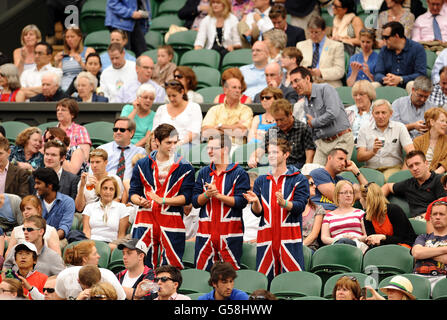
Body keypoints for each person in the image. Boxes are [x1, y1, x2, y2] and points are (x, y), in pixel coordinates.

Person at [130, 124, 195, 269]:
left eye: (175, 142)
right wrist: (139, 200)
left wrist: (163, 200)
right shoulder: (142, 164)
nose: (172, 146)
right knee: (143, 266)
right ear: (157, 141)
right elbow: (133, 192)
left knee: (171, 268)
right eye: (168, 142)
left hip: (172, 220)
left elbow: (187, 197)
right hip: (145, 220)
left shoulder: (185, 166)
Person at [243, 138, 309, 281]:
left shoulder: (298, 179)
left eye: (275, 152)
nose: (271, 155)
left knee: (292, 281)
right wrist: (255, 202)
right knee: (265, 280)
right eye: (269, 152)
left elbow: (300, 206)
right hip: (266, 237)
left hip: (289, 237)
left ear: (286, 154)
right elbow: (258, 212)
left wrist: (285, 204)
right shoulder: (261, 180)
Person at [192, 134, 249, 271]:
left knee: (229, 275)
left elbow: (241, 202)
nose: (209, 151)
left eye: (214, 148)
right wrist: (207, 194)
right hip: (205, 234)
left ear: (225, 149)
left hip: (230, 234)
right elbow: (195, 201)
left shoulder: (239, 173)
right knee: (202, 274)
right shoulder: (203, 172)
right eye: (208, 148)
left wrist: (218, 195)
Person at [290, 67, 354, 166]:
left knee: (338, 177)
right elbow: (312, 129)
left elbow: (333, 112)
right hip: (322, 144)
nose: (294, 85)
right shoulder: (305, 102)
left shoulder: (325, 89)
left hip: (341, 140)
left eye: (296, 81)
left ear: (307, 78)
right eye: (291, 83)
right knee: (315, 175)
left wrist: (314, 122)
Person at [248, 99, 316, 170]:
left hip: (296, 166)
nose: (279, 123)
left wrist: (306, 170)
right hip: (275, 165)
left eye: (282, 119)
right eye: (276, 120)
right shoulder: (273, 131)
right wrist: (254, 157)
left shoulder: (303, 129)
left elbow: (309, 153)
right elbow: (261, 149)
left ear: (290, 114)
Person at [356, 99, 414, 181]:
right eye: (377, 113)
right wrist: (373, 151)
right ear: (372, 114)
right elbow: (360, 157)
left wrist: (402, 172)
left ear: (391, 113)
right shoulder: (364, 129)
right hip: (370, 168)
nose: (380, 116)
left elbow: (411, 152)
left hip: (393, 168)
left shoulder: (400, 127)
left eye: (383, 112)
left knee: (384, 180)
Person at [381, 150, 447, 218]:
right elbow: (387, 186)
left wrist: (420, 218)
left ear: (426, 163)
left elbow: (442, 207)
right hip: (415, 223)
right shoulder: (408, 184)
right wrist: (376, 203)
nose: (414, 168)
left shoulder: (439, 180)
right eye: (411, 166)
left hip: (434, 221)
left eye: (417, 164)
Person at [361, 182, 417, 249]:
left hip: (404, 246)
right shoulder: (367, 217)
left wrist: (383, 237)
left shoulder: (394, 210)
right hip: (383, 249)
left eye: (361, 198)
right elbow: (372, 242)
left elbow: (402, 238)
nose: (360, 200)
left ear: (368, 200)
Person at [374, 21, 427, 92]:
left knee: (412, 85)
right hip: (388, 84)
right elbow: (378, 73)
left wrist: (400, 79)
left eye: (386, 37)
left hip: (407, 84)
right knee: (373, 85)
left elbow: (421, 74)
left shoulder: (417, 48)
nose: (384, 40)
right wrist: (387, 79)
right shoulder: (384, 50)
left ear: (396, 36)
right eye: (383, 37)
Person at [201, 77, 253, 147]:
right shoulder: (214, 109)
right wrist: (234, 127)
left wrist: (220, 126)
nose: (238, 90)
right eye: (234, 87)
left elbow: (241, 133)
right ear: (225, 90)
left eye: (239, 88)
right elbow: (205, 132)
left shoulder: (246, 110)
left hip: (235, 147)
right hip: (213, 146)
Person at [82, 176, 129, 251]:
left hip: (112, 244)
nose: (108, 192)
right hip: (92, 244)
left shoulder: (122, 208)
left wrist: (109, 247)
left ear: (115, 192)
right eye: (105, 188)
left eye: (111, 189)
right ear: (99, 190)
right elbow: (86, 232)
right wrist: (90, 247)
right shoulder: (89, 207)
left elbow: (121, 235)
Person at [296, 16, 345, 88]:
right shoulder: (301, 45)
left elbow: (339, 71)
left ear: (324, 30)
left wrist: (320, 73)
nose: (313, 35)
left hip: (329, 84)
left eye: (316, 32)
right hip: (307, 84)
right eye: (311, 32)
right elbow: (296, 67)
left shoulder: (336, 46)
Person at [152, 80, 203, 147]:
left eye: (174, 95)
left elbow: (194, 133)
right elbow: (154, 131)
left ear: (182, 92)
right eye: (169, 96)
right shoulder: (161, 109)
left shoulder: (194, 107)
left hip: (187, 144)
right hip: (163, 144)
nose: (171, 99)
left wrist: (177, 144)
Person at [321, 180, 368, 251]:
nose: (349, 195)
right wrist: (339, 239)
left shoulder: (360, 213)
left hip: (357, 246)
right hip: (337, 245)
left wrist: (355, 238)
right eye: (345, 192)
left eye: (351, 192)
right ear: (337, 195)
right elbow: (324, 238)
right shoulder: (328, 216)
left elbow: (367, 235)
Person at [97, 117, 147, 181]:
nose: (118, 132)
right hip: (106, 188)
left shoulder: (140, 152)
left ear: (131, 133)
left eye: (122, 130)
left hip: (129, 188)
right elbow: (92, 174)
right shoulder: (102, 150)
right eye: (115, 129)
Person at [412, 200, 447, 290]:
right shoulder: (423, 237)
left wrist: (426, 253)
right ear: (430, 218)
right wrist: (444, 249)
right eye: (435, 214)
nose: (437, 217)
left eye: (441, 214)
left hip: (443, 280)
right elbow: (417, 253)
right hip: (418, 278)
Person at [32, 167, 75, 241]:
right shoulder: (35, 201)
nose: (35, 187)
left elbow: (64, 228)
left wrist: (47, 240)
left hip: (58, 240)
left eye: (38, 183)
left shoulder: (68, 202)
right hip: (36, 239)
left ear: (50, 185)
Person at [76, 148, 125, 213]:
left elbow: (114, 206)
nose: (94, 165)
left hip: (108, 215)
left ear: (106, 162)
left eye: (98, 162)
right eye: (92, 162)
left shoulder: (114, 179)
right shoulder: (84, 180)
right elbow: (79, 208)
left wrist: (99, 188)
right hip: (88, 215)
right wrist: (82, 186)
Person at [53, 26, 95, 93]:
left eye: (72, 36)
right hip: (63, 88)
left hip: (80, 88)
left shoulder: (88, 51)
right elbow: (58, 75)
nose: (69, 39)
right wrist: (56, 63)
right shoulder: (62, 54)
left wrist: (81, 63)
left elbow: (93, 71)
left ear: (79, 37)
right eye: (67, 37)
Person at [55, 264, 126, 300]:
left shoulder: (109, 279)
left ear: (100, 279)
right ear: (78, 281)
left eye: (94, 287)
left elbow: (121, 298)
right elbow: (60, 297)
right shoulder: (64, 277)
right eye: (86, 288)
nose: (90, 291)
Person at [120, 83, 156, 147]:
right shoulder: (127, 108)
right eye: (145, 97)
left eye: (151, 99)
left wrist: (133, 148)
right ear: (138, 98)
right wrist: (135, 110)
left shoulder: (153, 115)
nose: (148, 100)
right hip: (123, 143)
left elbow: (148, 137)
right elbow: (122, 127)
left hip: (141, 147)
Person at [413, 107, 447, 174]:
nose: (445, 124)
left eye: (446, 122)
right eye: (442, 121)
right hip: (419, 175)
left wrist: (433, 175)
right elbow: (414, 161)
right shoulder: (418, 141)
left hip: (438, 177)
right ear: (432, 122)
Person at [302, 175, 325, 252]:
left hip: (309, 248)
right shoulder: (291, 208)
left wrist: (301, 246)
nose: (315, 186)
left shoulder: (318, 209)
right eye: (311, 183)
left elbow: (314, 234)